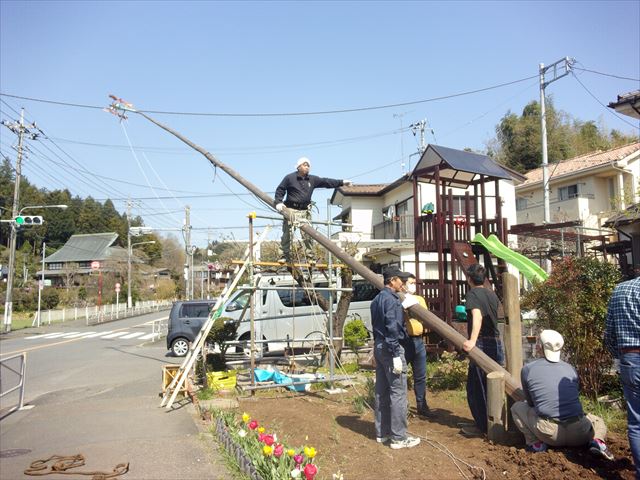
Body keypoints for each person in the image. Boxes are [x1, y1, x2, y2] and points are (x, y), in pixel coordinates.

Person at [511, 329, 614, 460]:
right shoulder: (570, 368)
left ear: (539, 347)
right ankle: (597, 441)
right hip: (579, 434)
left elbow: (531, 403)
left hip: (549, 434)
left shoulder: (528, 369)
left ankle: (535, 443)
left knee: (517, 408)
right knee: (598, 420)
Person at [371, 267, 421, 449]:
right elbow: (392, 328)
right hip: (391, 347)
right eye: (401, 280)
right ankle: (399, 437)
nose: (403, 283)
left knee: (382, 390)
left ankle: (382, 432)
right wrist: (395, 355)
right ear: (392, 280)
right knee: (398, 392)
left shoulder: (376, 300)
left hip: (379, 346)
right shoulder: (392, 300)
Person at [274, 157, 352, 264]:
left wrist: (342, 182)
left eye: (308, 165)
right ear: (298, 166)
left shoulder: (312, 179)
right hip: (291, 209)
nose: (307, 167)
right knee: (287, 233)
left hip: (305, 211)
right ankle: (284, 255)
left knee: (308, 235)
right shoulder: (289, 178)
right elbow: (280, 189)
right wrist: (278, 202)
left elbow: (326, 182)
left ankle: (310, 256)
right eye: (304, 165)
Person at [461, 263, 504, 437]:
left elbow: (477, 316)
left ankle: (483, 427)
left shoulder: (473, 294)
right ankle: (491, 423)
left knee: (476, 387)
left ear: (469, 279)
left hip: (481, 343)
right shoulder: (491, 294)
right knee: (492, 386)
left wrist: (471, 340)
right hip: (495, 342)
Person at [605, 276, 640, 476]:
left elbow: (609, 334)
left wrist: (623, 357)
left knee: (636, 423)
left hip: (630, 358)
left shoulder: (620, 290)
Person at [400, 273, 434, 417]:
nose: (413, 285)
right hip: (405, 340)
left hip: (419, 340)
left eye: (414, 283)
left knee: (420, 375)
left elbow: (424, 316)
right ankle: (402, 407)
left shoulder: (419, 299)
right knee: (401, 375)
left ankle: (422, 406)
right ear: (403, 284)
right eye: (410, 282)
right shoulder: (398, 298)